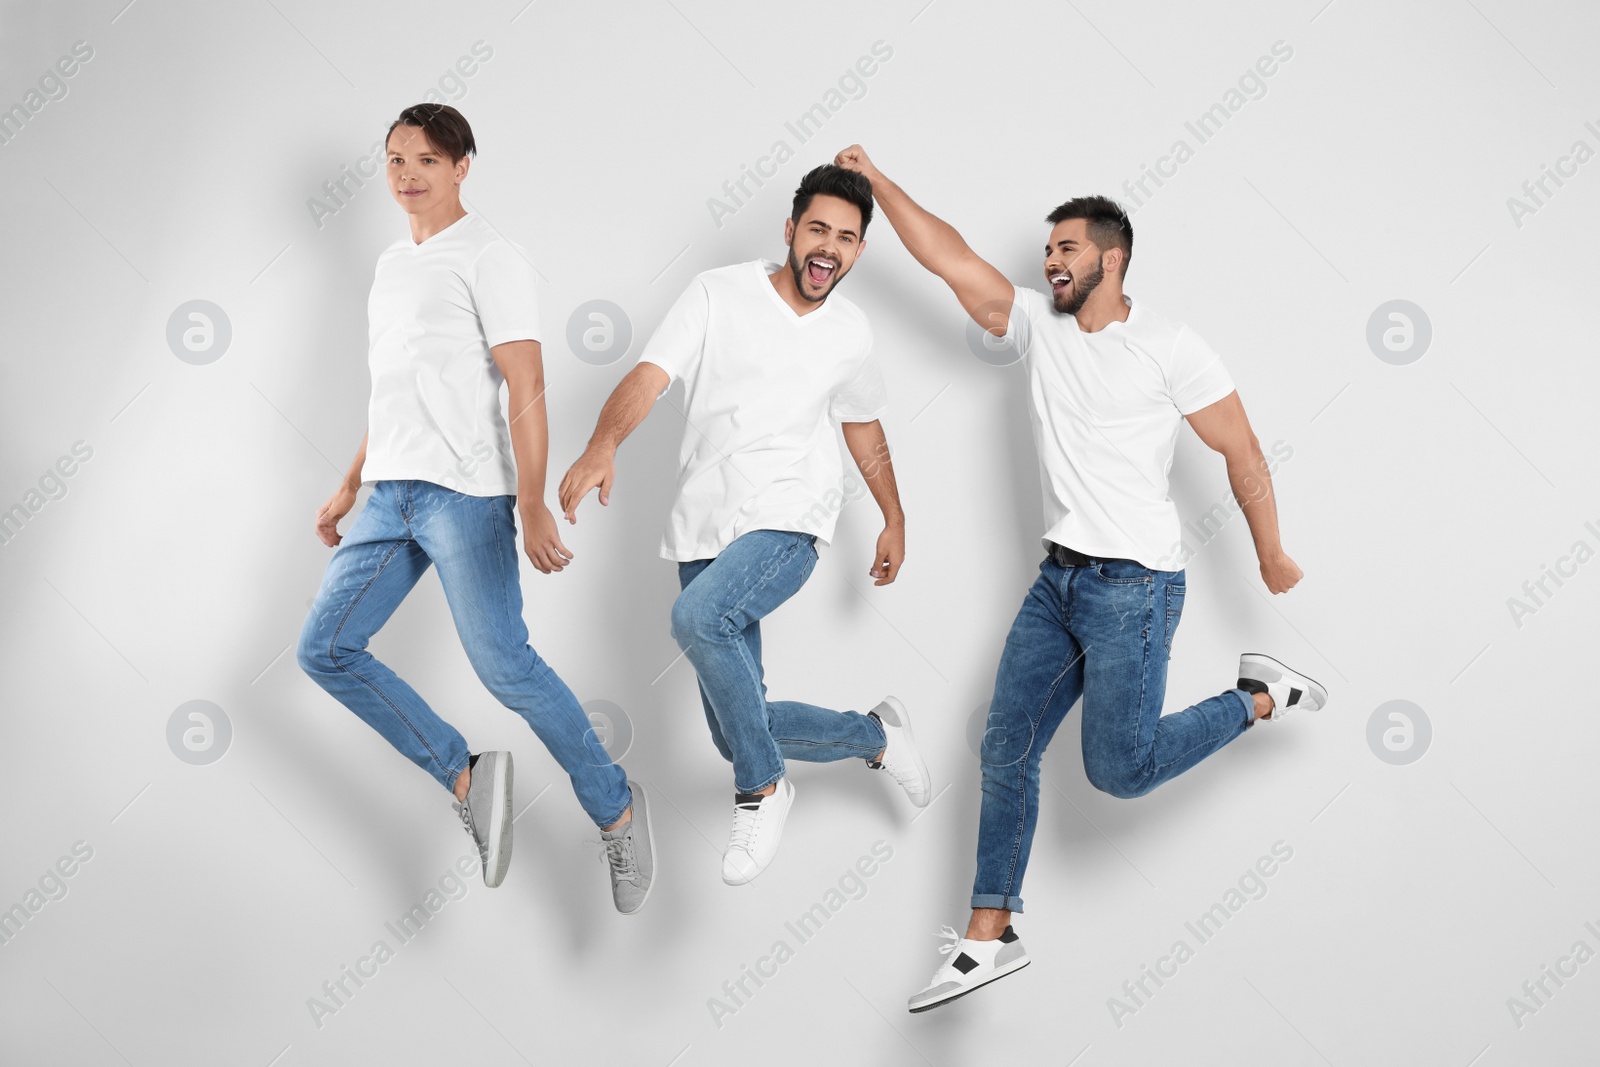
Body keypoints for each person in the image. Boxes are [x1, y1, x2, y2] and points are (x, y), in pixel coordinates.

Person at [832, 144, 1328, 1011]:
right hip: (1056, 583)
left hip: (1135, 592)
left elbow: (1241, 450)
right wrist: (877, 183)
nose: (1050, 262)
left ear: (1113, 256)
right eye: (1047, 251)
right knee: (1003, 747)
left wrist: (1270, 551)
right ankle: (992, 934)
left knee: (1121, 771)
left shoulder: (1169, 344)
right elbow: (948, 258)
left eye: (1066, 249)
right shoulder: (1034, 324)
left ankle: (1257, 698)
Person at [296, 103, 653, 915]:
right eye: (393, 160)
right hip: (390, 492)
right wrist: (352, 478)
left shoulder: (490, 256)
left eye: (425, 160)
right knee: (324, 647)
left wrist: (530, 502)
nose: (407, 175)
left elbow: (525, 384)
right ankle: (466, 773)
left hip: (466, 492)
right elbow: (397, 387)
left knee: (505, 666)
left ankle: (617, 808)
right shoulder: (391, 265)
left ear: (462, 167)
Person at [559, 164, 932, 886]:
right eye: (818, 229)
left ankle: (763, 789)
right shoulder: (716, 292)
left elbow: (863, 427)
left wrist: (894, 515)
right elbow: (649, 374)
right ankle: (875, 734)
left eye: (847, 238)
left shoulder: (851, 331)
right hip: (703, 524)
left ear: (859, 252)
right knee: (735, 730)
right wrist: (604, 441)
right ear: (790, 231)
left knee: (698, 618)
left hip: (790, 518)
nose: (829, 248)